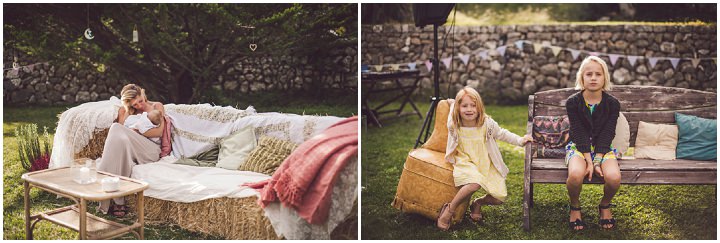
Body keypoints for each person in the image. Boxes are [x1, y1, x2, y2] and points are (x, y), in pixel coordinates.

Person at [436, 87, 533, 231]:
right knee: (474, 183)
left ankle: (478, 203)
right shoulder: (454, 124)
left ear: (479, 107)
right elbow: (451, 112)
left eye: (473, 105)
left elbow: (502, 134)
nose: (469, 109)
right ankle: (449, 209)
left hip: (485, 162)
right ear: (458, 107)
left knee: (499, 197)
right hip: (465, 160)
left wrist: (520, 140)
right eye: (464, 106)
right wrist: (451, 104)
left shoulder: (486, 124)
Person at [565, 56, 621, 231]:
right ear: (581, 78)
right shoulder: (573, 102)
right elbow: (579, 133)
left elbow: (607, 132)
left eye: (598, 74)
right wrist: (589, 161)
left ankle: (604, 205)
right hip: (578, 147)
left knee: (613, 178)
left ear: (605, 78)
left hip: (603, 149)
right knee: (575, 174)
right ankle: (575, 206)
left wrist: (597, 160)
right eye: (589, 74)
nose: (594, 78)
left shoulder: (612, 104)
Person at [97, 83, 166, 217]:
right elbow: (121, 139)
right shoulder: (126, 112)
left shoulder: (156, 106)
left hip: (150, 150)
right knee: (119, 138)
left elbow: (159, 132)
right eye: (135, 105)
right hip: (131, 148)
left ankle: (102, 185)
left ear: (143, 94)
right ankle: (119, 201)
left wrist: (136, 130)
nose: (139, 106)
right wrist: (129, 116)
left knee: (116, 128)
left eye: (140, 101)